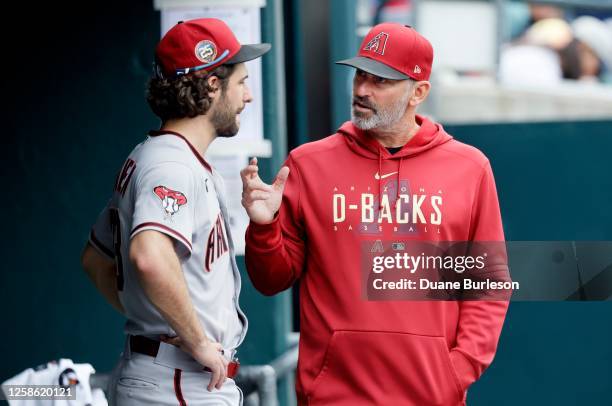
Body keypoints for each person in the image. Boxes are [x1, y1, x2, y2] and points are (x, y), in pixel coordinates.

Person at [241, 23, 509, 405]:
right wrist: (263, 227)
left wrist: (455, 371)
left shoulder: (469, 168)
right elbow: (271, 280)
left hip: (429, 395)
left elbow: (487, 284)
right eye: (361, 76)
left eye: (380, 81)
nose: (363, 90)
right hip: (334, 395)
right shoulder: (307, 164)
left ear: (419, 92)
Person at [81, 18, 270, 406]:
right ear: (212, 86)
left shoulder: (160, 157)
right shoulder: (171, 166)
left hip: (171, 376)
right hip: (176, 382)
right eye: (241, 83)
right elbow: (148, 257)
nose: (248, 97)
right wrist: (193, 337)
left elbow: (95, 262)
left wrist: (159, 318)